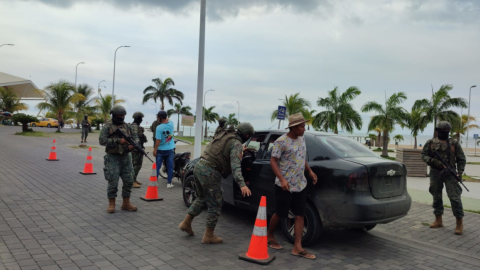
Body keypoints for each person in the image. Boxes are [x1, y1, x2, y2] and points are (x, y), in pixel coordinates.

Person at [178, 123, 254, 244]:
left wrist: (240, 150)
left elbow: (223, 150)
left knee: (201, 197)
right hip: (210, 172)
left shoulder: (226, 135)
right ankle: (209, 235)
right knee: (215, 203)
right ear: (246, 135)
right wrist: (242, 184)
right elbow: (235, 167)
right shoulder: (236, 144)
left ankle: (186, 223)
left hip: (199, 166)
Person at [266, 113, 318, 259]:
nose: (304, 129)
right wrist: (282, 179)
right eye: (302, 126)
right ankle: (269, 236)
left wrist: (309, 171)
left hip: (300, 184)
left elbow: (301, 158)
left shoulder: (302, 140)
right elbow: (273, 161)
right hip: (285, 185)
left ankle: (297, 247)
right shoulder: (281, 142)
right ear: (294, 127)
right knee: (280, 213)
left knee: (300, 214)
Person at [421, 121, 466, 235]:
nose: (445, 133)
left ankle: (459, 223)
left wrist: (459, 173)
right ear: (438, 131)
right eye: (443, 131)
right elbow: (424, 155)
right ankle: (438, 220)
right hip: (436, 173)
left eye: (447, 131)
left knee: (455, 198)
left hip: (450, 174)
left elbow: (461, 159)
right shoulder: (431, 143)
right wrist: (434, 161)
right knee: (436, 196)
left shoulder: (454, 143)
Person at [99, 105, 139, 213]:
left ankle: (126, 203)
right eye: (119, 115)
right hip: (112, 157)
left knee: (129, 180)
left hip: (126, 157)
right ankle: (111, 204)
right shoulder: (108, 126)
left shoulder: (127, 126)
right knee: (113, 181)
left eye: (123, 116)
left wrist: (133, 145)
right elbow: (102, 140)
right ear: (114, 115)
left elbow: (135, 138)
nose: (121, 117)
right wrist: (117, 141)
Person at [153, 111, 176, 188]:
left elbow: (158, 140)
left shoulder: (159, 128)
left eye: (158, 117)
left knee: (157, 166)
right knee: (170, 167)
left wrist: (155, 149)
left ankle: (155, 182)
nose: (157, 118)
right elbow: (168, 119)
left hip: (161, 150)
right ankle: (169, 183)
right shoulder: (171, 124)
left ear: (160, 118)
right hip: (170, 149)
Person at [131, 112, 148, 188]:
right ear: (137, 118)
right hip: (135, 149)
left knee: (138, 165)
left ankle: (134, 179)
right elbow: (135, 139)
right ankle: (132, 181)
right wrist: (139, 148)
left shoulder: (138, 126)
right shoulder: (134, 127)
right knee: (135, 165)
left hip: (139, 148)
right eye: (140, 118)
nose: (141, 120)